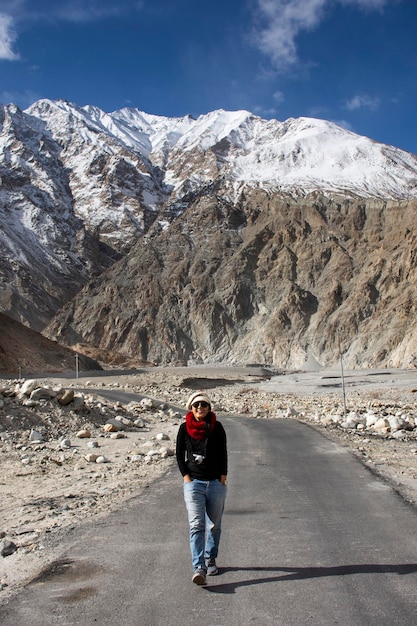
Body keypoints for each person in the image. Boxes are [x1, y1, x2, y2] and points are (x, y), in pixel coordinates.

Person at [176, 391, 228, 586]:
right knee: (197, 525)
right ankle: (199, 568)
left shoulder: (218, 428)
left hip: (215, 482)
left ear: (209, 408)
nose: (200, 408)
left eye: (203, 405)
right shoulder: (184, 429)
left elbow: (223, 452)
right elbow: (179, 455)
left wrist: (222, 477)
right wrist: (187, 478)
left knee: (214, 525)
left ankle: (210, 558)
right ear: (191, 408)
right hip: (194, 484)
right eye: (196, 405)